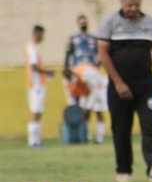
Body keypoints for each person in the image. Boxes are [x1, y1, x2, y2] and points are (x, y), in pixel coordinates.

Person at [97, 0, 152, 182]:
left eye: (136, 4)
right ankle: (123, 170)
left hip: (145, 84)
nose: (133, 8)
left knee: (150, 125)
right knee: (121, 128)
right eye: (129, 4)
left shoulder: (150, 22)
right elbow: (103, 54)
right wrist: (118, 83)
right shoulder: (110, 22)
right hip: (119, 85)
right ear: (121, 3)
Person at [63, 14, 106, 143]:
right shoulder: (73, 38)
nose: (83, 24)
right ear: (78, 24)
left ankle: (96, 136)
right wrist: (66, 69)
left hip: (91, 73)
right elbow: (68, 54)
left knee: (94, 105)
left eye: (85, 22)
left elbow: (101, 53)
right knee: (77, 105)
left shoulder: (94, 38)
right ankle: (81, 135)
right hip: (77, 72)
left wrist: (97, 66)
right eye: (81, 22)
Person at [24, 25, 55, 147]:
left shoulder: (34, 47)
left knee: (39, 112)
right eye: (42, 34)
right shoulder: (31, 47)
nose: (43, 37)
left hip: (39, 85)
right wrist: (48, 72)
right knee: (35, 112)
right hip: (35, 85)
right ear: (37, 33)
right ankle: (33, 141)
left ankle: (37, 140)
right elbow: (34, 66)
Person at [63, 63, 109, 141]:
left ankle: (99, 138)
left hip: (99, 88)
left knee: (98, 111)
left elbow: (95, 90)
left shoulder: (85, 74)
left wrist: (88, 107)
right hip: (85, 92)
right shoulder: (66, 82)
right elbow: (71, 98)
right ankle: (85, 136)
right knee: (83, 115)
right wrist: (74, 111)